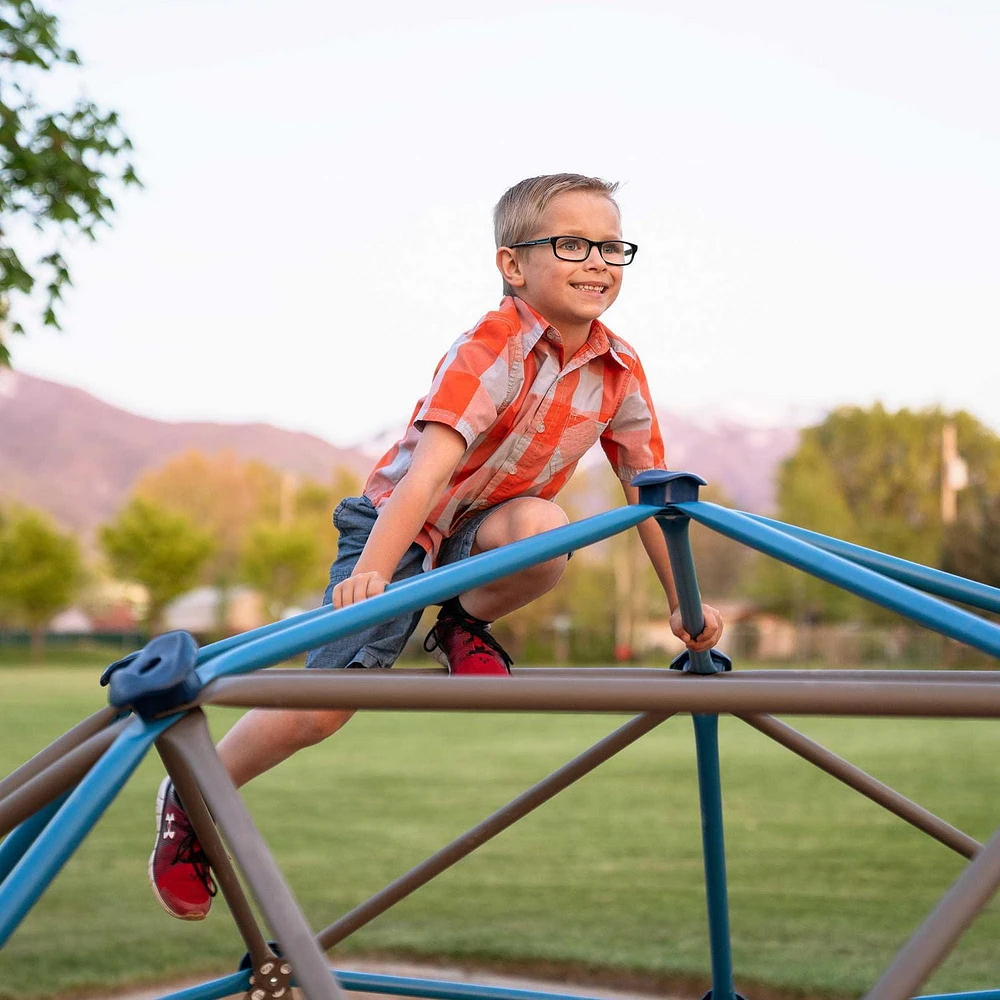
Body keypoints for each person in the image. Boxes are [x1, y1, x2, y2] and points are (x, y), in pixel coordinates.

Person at [149, 172, 725, 920]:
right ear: (512, 265)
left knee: (546, 530)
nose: (598, 262)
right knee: (322, 711)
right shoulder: (490, 348)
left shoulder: (619, 367)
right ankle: (189, 800)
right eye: (573, 244)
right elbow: (425, 479)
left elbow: (650, 492)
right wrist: (375, 571)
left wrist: (684, 600)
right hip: (396, 527)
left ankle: (461, 621)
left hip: (489, 535)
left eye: (612, 246)